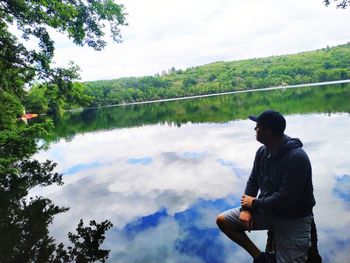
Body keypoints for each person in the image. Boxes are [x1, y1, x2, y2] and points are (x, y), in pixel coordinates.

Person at [216, 109, 316, 263]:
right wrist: (246, 209)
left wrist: (254, 203)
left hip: (294, 218)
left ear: (267, 131)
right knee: (224, 221)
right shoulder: (262, 152)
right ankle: (261, 258)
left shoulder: (297, 158)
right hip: (268, 211)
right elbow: (253, 181)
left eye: (258, 126)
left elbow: (285, 198)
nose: (255, 129)